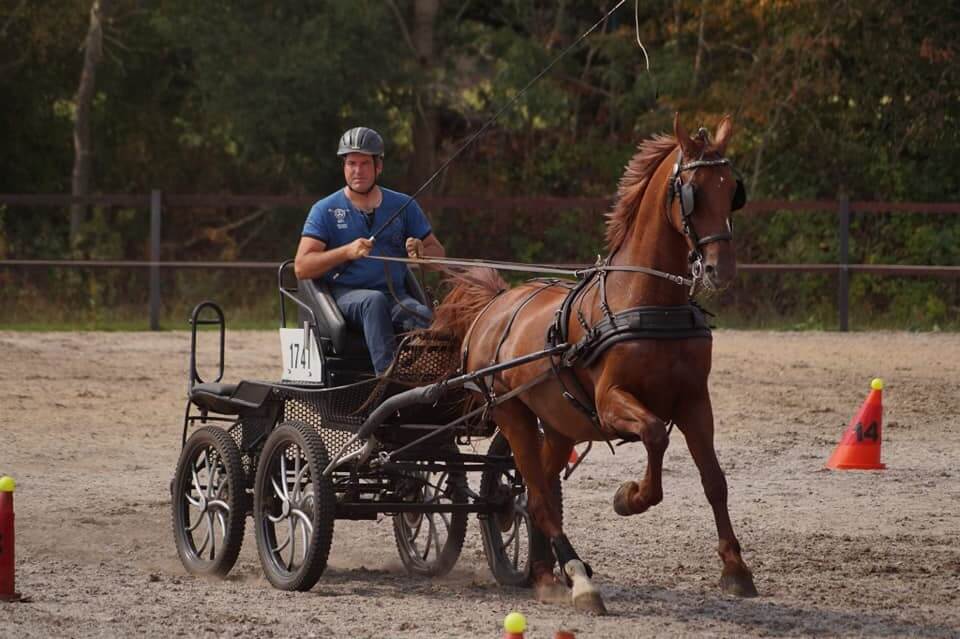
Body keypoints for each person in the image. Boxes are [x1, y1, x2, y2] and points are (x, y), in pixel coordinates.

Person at [294, 126, 445, 375]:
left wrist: (422, 252)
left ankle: (437, 380)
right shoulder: (325, 210)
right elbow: (302, 267)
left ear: (378, 167)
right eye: (351, 163)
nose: (357, 170)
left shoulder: (403, 205)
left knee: (425, 317)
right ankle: (386, 379)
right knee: (372, 302)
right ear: (344, 166)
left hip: (396, 296)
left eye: (364, 163)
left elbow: (438, 257)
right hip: (345, 297)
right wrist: (346, 252)